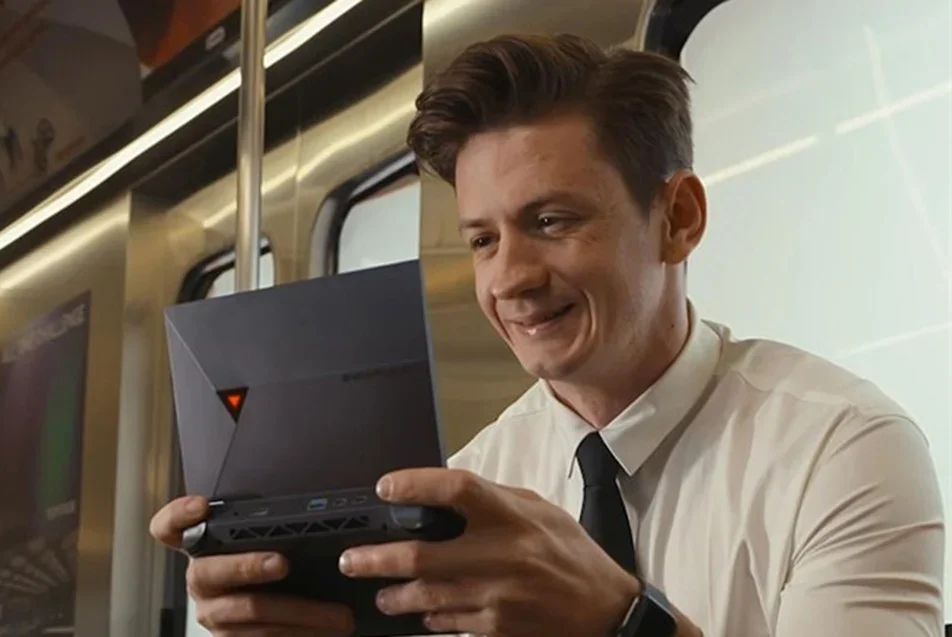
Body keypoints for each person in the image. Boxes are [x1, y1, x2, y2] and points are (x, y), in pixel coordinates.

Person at [149, 33, 945, 636]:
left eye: (551, 221)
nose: (510, 279)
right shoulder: (472, 481)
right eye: (484, 239)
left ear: (679, 217)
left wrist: (620, 621)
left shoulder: (839, 449)